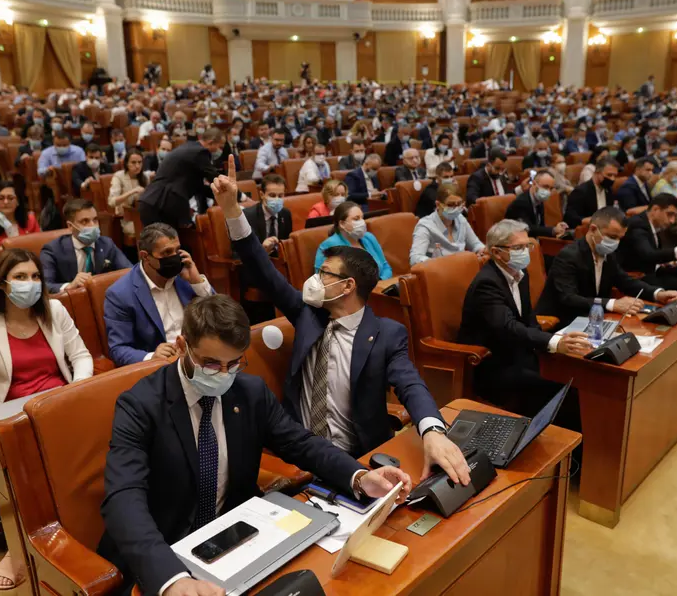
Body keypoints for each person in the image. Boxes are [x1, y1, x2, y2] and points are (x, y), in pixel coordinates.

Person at [97, 294, 411, 596]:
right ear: (182, 347)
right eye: (210, 364)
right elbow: (123, 498)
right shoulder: (139, 405)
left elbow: (299, 443)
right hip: (168, 549)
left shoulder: (249, 391)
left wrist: (358, 476)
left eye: (233, 364)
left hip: (236, 537)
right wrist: (171, 578)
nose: (222, 375)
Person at [211, 156, 471, 474]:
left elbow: (411, 384)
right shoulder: (306, 314)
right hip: (302, 454)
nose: (315, 280)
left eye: (324, 274)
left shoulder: (388, 334)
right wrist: (231, 209)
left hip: (360, 457)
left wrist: (432, 431)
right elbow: (261, 268)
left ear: (348, 286)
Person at [0, 248, 92, 590]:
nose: (29, 284)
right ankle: (18, 548)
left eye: (35, 277)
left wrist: (74, 396)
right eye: (20, 277)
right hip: (7, 417)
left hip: (55, 406)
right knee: (27, 466)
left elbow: (81, 357)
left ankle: (79, 529)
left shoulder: (54, 310)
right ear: (2, 283)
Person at [457, 220, 588, 429]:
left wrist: (548, 348)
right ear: (497, 253)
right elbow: (508, 328)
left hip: (520, 353)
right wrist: (553, 342)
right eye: (518, 248)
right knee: (563, 390)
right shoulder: (487, 284)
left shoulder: (519, 274)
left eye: (527, 246)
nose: (525, 252)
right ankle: (570, 456)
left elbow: (528, 319)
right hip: (493, 365)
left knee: (573, 373)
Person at [536, 206, 677, 328]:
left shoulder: (608, 253)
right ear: (593, 229)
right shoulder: (569, 256)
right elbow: (569, 299)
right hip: (560, 322)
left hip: (593, 319)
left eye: (619, 238)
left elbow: (625, 281)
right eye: (612, 237)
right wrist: (613, 304)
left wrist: (657, 294)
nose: (615, 243)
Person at [104, 223, 213, 367]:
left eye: (177, 250)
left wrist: (197, 282)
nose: (174, 257)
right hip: (164, 366)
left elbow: (220, 315)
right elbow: (118, 349)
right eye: (167, 253)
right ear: (145, 256)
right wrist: (151, 357)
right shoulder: (119, 294)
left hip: (201, 354)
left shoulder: (185, 275)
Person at [139, 128, 245, 229]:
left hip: (152, 201)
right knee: (166, 243)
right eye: (220, 147)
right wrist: (240, 196)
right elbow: (215, 178)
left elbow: (200, 188)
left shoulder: (190, 148)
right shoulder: (200, 152)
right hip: (161, 203)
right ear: (211, 142)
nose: (220, 151)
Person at [619, 192, 677, 291]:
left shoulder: (655, 225)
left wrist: (666, 262)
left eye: (675, 216)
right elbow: (649, 255)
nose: (672, 220)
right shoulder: (637, 225)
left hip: (656, 271)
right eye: (670, 214)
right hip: (638, 278)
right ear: (655, 209)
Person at [40, 199, 132, 293]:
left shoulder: (106, 244)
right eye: (85, 221)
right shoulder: (53, 250)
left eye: (95, 220)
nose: (93, 226)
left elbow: (129, 272)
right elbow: (45, 285)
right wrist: (70, 286)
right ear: (70, 226)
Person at [315, 201, 392, 280]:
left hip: (379, 288)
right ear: (342, 224)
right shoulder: (329, 245)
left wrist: (381, 280)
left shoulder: (369, 237)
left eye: (362, 218)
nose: (362, 222)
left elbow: (386, 267)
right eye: (356, 219)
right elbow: (322, 278)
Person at [410, 183, 484, 266]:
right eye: (451, 205)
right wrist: (439, 264)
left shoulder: (460, 219)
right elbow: (415, 258)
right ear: (438, 205)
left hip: (462, 269)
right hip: (439, 273)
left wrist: (481, 251)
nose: (456, 208)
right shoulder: (425, 225)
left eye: (459, 204)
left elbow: (476, 244)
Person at [505, 170, 569, 238]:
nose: (548, 191)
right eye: (545, 187)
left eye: (551, 188)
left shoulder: (539, 200)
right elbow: (527, 229)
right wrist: (553, 230)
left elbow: (540, 226)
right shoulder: (521, 203)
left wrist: (557, 228)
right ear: (534, 184)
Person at [564, 157, 619, 228]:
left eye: (615, 176)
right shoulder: (581, 191)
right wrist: (591, 221)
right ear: (597, 172)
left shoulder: (608, 190)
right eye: (609, 175)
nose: (612, 179)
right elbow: (570, 219)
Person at [243, 174, 291, 252]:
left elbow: (287, 245)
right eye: (272, 195)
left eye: (280, 196)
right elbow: (241, 251)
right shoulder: (248, 216)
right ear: (262, 195)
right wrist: (261, 250)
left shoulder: (285, 214)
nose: (276, 199)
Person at [109, 149, 148, 238]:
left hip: (142, 216)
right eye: (133, 162)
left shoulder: (145, 177)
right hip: (126, 218)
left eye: (140, 162)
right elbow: (112, 202)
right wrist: (132, 191)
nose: (137, 166)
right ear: (126, 164)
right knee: (143, 231)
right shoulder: (119, 176)